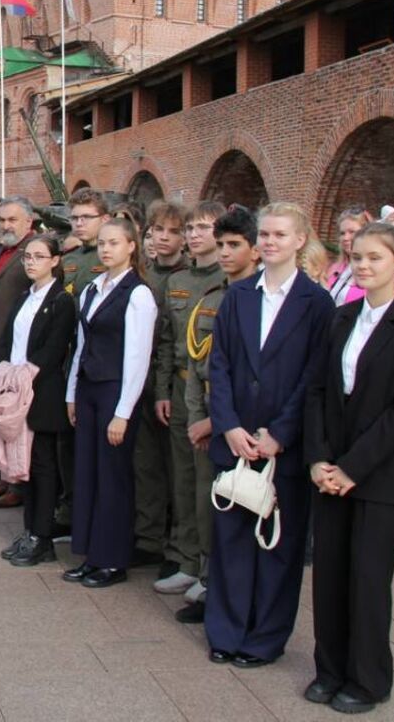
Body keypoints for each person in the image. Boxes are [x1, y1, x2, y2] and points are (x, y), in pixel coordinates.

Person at [205, 202, 334, 668]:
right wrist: (230, 425)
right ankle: (226, 630)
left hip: (284, 444)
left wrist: (280, 433)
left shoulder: (317, 304)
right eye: (265, 234)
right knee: (232, 542)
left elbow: (314, 376)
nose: (270, 242)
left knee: (277, 545)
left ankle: (264, 638)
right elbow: (218, 366)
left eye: (280, 234)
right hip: (236, 437)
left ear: (300, 240)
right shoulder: (238, 296)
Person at [304, 222, 394, 713]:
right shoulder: (342, 317)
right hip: (332, 468)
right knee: (329, 574)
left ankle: (368, 679)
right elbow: (318, 391)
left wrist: (351, 467)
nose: (364, 265)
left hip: (380, 471)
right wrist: (318, 458)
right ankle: (329, 669)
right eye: (358, 258)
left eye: (376, 257)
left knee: (367, 579)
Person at [62, 217, 155, 588]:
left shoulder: (138, 294)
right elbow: (81, 345)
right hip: (88, 389)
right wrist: (72, 393)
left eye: (114, 243)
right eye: (102, 243)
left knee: (113, 478)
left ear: (131, 246)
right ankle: (91, 554)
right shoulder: (92, 288)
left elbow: (138, 357)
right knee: (88, 473)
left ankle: (112, 560)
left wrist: (123, 412)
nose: (105, 249)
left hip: (117, 391)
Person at [179, 206, 260, 624]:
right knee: (206, 502)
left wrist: (216, 421)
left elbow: (252, 375)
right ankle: (208, 578)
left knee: (237, 512)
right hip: (207, 415)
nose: (225, 253)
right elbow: (198, 363)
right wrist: (198, 415)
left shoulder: (257, 301)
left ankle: (224, 592)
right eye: (222, 245)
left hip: (238, 425)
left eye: (233, 245)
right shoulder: (213, 297)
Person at [152, 201, 227, 596]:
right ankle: (184, 558)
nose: (196, 234)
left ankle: (207, 566)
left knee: (204, 484)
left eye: (204, 228)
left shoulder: (228, 282)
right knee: (181, 480)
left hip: (211, 394)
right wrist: (163, 391)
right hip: (179, 390)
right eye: (192, 228)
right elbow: (166, 340)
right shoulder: (179, 280)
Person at [0, 234, 77, 565]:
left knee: (43, 465)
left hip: (41, 392)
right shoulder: (23, 298)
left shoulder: (61, 301)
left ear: (55, 261)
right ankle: (30, 530)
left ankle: (43, 536)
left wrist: (24, 377)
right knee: (24, 466)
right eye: (28, 257)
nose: (31, 262)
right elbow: (7, 340)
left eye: (39, 257)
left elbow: (53, 350)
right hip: (17, 390)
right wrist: (5, 374)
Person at [132, 200, 186, 573]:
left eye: (172, 231)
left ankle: (177, 543)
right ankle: (148, 537)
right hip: (144, 378)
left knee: (177, 470)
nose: (163, 238)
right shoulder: (146, 274)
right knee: (146, 462)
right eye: (157, 230)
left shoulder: (188, 278)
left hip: (172, 386)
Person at [55, 188, 112, 538]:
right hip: (69, 358)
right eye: (74, 218)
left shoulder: (107, 260)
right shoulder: (72, 258)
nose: (78, 223)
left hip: (97, 361)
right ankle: (69, 508)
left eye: (86, 217)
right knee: (66, 440)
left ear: (105, 219)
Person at [0, 197, 36, 505]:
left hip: (17, 352)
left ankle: (18, 485)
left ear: (29, 221)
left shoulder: (33, 251)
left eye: (12, 220)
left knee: (16, 421)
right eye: (2, 220)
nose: (6, 226)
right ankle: (3, 473)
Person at [325, 207, 372, 306]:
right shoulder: (334, 269)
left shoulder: (372, 271)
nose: (346, 238)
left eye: (352, 232)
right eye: (342, 233)